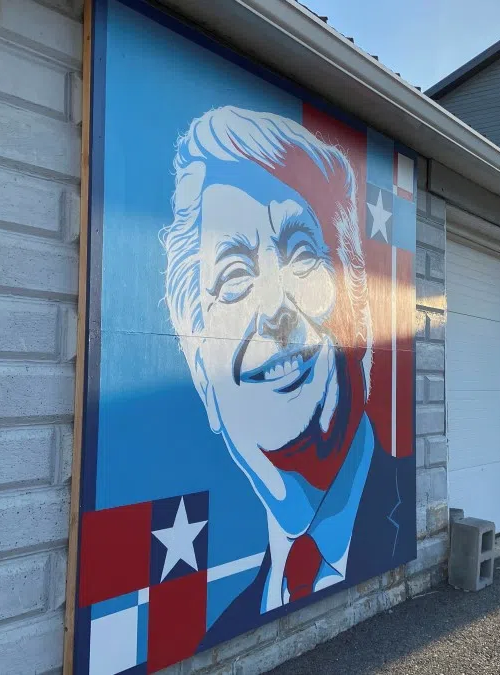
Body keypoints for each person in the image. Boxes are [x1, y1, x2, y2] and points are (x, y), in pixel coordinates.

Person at [161, 107, 413, 641]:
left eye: (302, 255)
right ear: (202, 377)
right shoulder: (230, 626)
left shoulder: (405, 522)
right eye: (234, 276)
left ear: (360, 315)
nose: (274, 306)